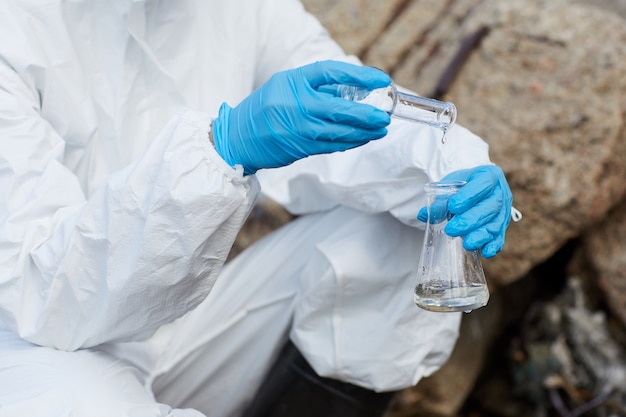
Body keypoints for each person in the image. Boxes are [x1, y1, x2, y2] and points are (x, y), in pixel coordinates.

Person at [0, 1, 514, 416]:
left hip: (176, 326)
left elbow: (362, 109)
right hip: (35, 358)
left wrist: (451, 167)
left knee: (395, 236)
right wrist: (220, 150)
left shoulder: (240, 9)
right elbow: (46, 296)